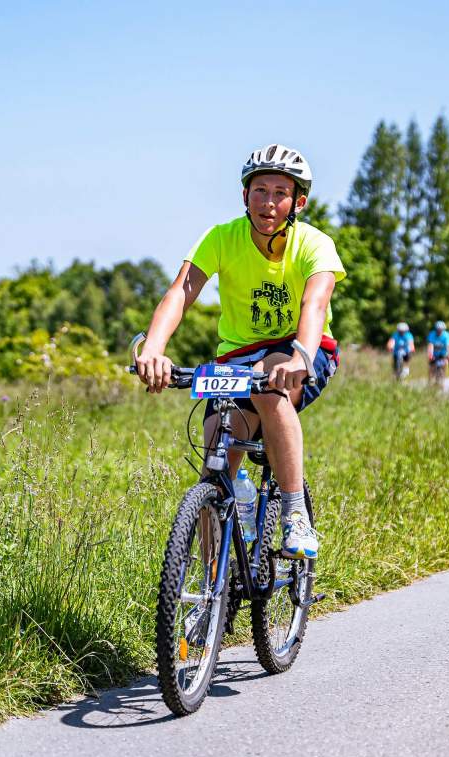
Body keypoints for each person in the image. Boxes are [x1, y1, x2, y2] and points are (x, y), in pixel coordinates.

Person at [135, 143, 346, 559]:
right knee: (218, 452)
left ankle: (294, 512)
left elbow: (315, 303)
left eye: (280, 193)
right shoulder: (221, 238)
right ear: (244, 196)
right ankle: (210, 586)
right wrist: (154, 350)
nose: (269, 202)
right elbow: (182, 291)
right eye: (259, 190)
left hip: (300, 348)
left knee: (270, 388)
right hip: (236, 357)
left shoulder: (314, 244)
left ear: (298, 202)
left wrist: (299, 358)